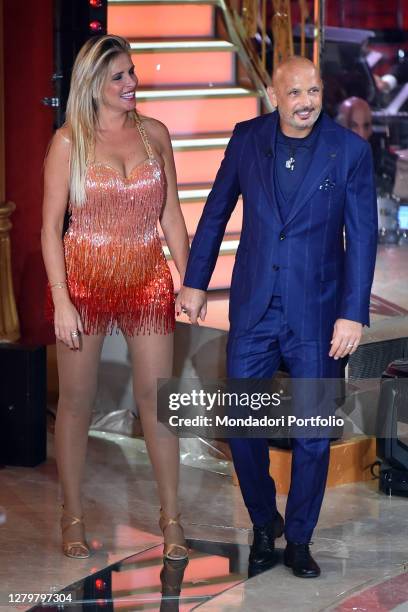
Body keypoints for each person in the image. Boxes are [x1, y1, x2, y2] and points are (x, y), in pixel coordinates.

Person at [177, 56, 377, 578]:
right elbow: (216, 211)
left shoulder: (349, 151)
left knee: (313, 432)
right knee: (244, 426)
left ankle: (301, 540)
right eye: (296, 93)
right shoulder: (247, 139)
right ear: (273, 95)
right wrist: (196, 281)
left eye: (314, 91)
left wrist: (352, 313)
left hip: (317, 313)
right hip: (255, 309)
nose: (308, 102)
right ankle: (265, 524)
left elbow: (362, 238)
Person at [41, 35, 189, 560]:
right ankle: (72, 514)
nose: (132, 83)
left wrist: (188, 279)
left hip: (147, 278)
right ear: (93, 84)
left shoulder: (155, 135)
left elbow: (171, 215)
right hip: (83, 282)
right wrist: (61, 300)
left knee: (159, 404)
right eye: (119, 77)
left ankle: (171, 519)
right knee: (78, 404)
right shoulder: (68, 142)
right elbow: (48, 228)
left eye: (131, 72)